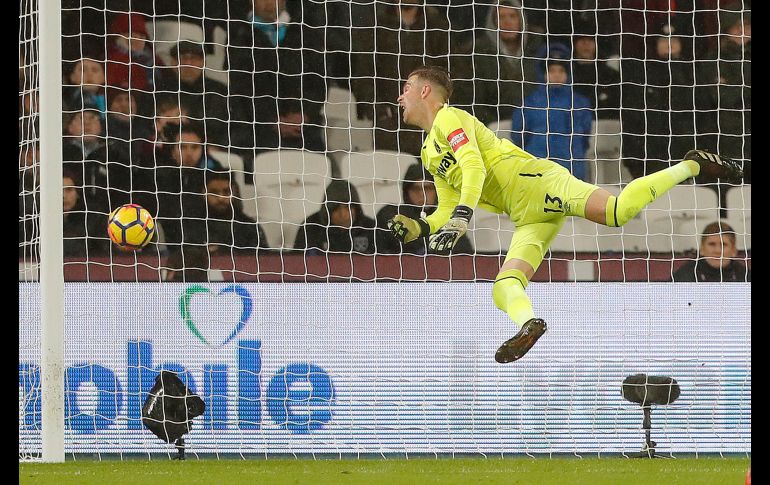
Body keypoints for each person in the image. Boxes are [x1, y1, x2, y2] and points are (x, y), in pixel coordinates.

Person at [387, 65, 744, 363]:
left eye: (405, 89)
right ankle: (530, 325)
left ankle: (691, 166)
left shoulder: (451, 118)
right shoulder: (430, 153)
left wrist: (461, 217)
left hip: (539, 183)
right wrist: (418, 226)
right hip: (527, 216)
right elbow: (446, 208)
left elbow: (474, 167)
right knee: (503, 288)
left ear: (424, 92)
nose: (399, 97)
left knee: (617, 213)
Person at [510, 43, 593, 181]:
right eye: (551, 71)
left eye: (561, 71)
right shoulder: (529, 103)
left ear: (568, 73)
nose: (556, 75)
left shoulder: (580, 104)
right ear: (543, 74)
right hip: (538, 172)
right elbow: (518, 137)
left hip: (572, 173)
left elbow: (585, 138)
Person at [375, 163, 472, 255]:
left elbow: (463, 256)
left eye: (428, 188)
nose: (422, 194)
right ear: (406, 192)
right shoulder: (392, 214)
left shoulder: (448, 219)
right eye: (416, 188)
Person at [294, 180, 376, 255]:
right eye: (336, 209)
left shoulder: (370, 228)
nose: (343, 214)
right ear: (327, 211)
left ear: (356, 209)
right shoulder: (310, 228)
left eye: (347, 207)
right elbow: (296, 264)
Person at [672, 221, 750, 282]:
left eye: (723, 245)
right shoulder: (685, 274)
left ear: (734, 251)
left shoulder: (745, 275)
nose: (717, 251)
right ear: (702, 249)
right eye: (712, 244)